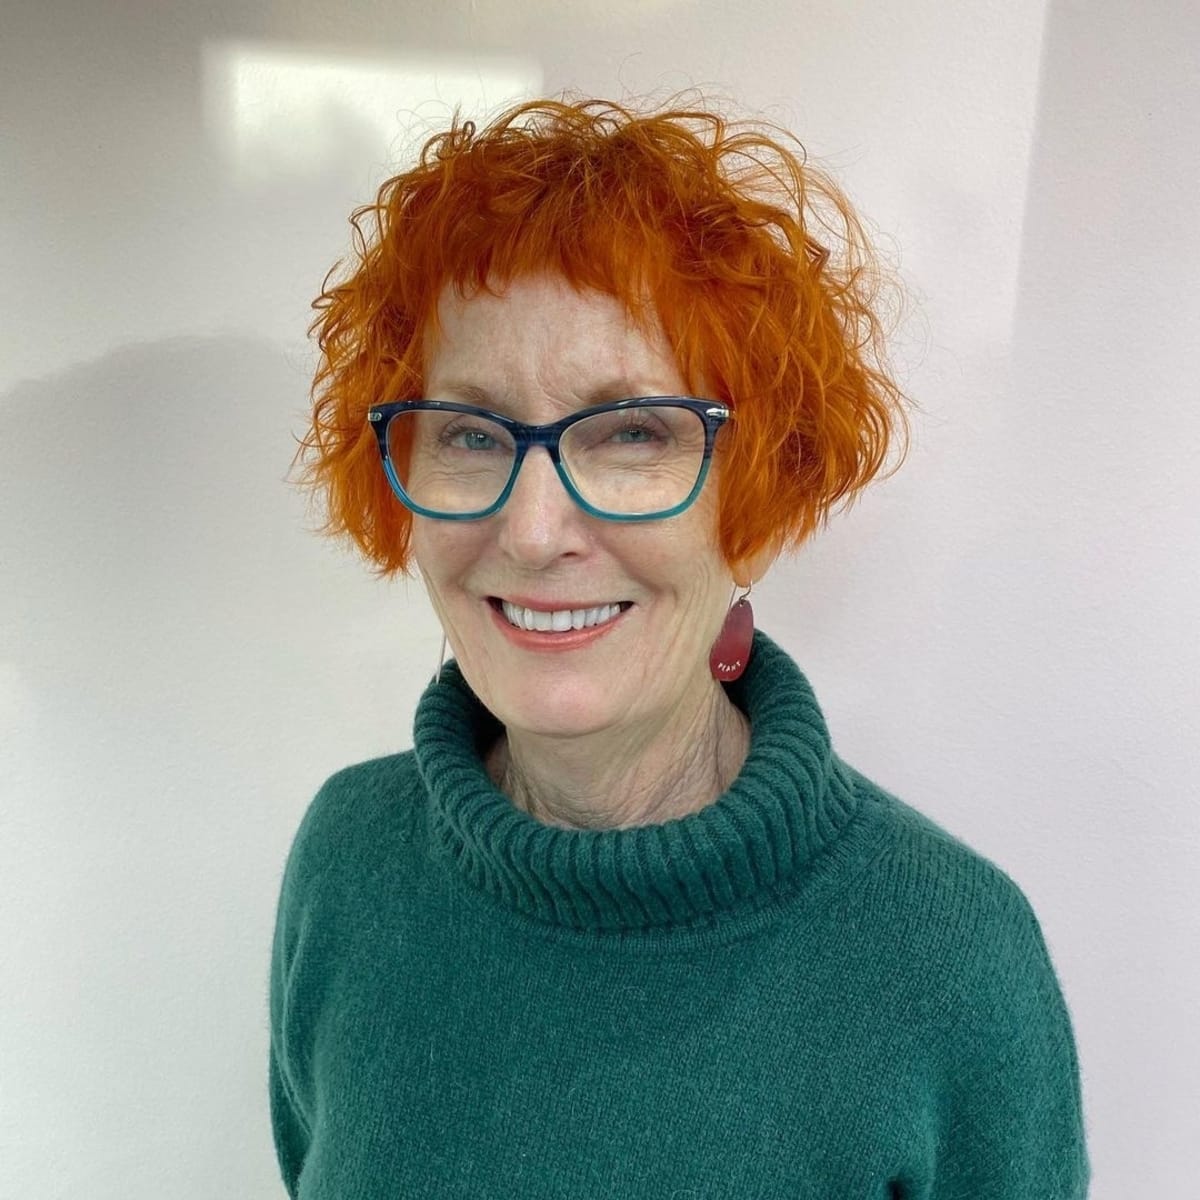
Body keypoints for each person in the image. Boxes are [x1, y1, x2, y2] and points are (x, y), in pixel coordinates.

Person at [269, 97, 1090, 1198]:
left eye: (632, 433)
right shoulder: (349, 861)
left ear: (759, 500)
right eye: (469, 433)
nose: (533, 531)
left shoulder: (949, 957)